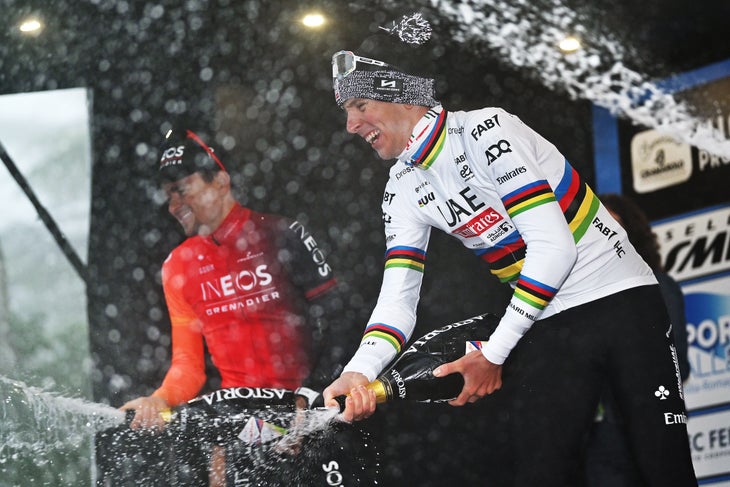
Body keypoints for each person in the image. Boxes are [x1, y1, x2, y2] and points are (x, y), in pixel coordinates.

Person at [321, 22, 697, 487]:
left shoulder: (487, 129)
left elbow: (555, 250)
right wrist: (359, 370)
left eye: (360, 105)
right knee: (541, 474)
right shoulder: (401, 187)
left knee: (664, 470)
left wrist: (494, 353)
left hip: (621, 301)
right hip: (548, 320)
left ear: (403, 94)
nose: (351, 125)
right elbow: (398, 299)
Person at [119, 128, 359, 485]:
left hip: (313, 416)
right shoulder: (177, 266)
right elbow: (188, 367)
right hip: (240, 429)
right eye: (168, 194)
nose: (173, 205)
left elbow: (340, 323)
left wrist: (310, 397)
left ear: (220, 181)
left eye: (181, 189)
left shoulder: (282, 233)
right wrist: (158, 400)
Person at [583, 193, 691, 487]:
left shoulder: (658, 287)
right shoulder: (577, 298)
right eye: (593, 225)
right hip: (592, 444)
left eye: (611, 225)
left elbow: (678, 363)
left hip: (649, 433)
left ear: (631, 233)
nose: (602, 234)